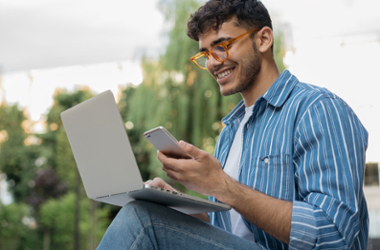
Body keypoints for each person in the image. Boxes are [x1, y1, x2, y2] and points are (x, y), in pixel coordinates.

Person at [97, 0, 369, 249]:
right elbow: (229, 232)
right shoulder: (230, 132)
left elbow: (334, 234)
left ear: (263, 39)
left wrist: (220, 184)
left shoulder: (317, 108)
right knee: (151, 212)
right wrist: (177, 206)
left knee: (142, 219)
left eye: (222, 46)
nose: (214, 63)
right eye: (205, 54)